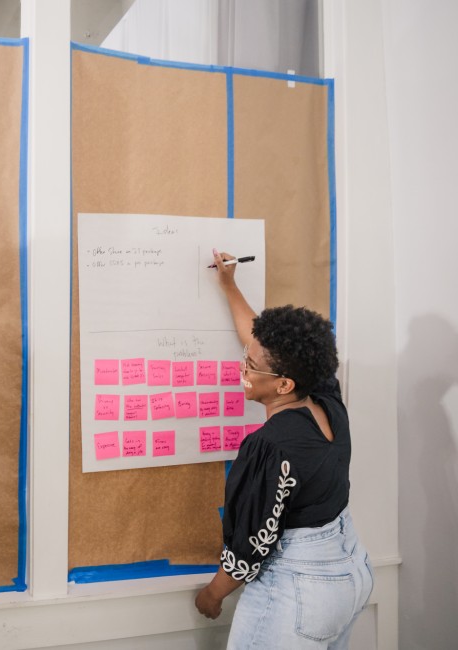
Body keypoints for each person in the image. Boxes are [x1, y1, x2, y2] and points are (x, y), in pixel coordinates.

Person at [195, 249, 373, 649]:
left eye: (250, 365)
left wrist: (213, 593)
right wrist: (229, 284)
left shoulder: (269, 446)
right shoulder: (325, 394)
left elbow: (253, 543)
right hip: (350, 570)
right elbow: (258, 338)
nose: (242, 367)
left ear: (283, 385)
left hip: (301, 589)